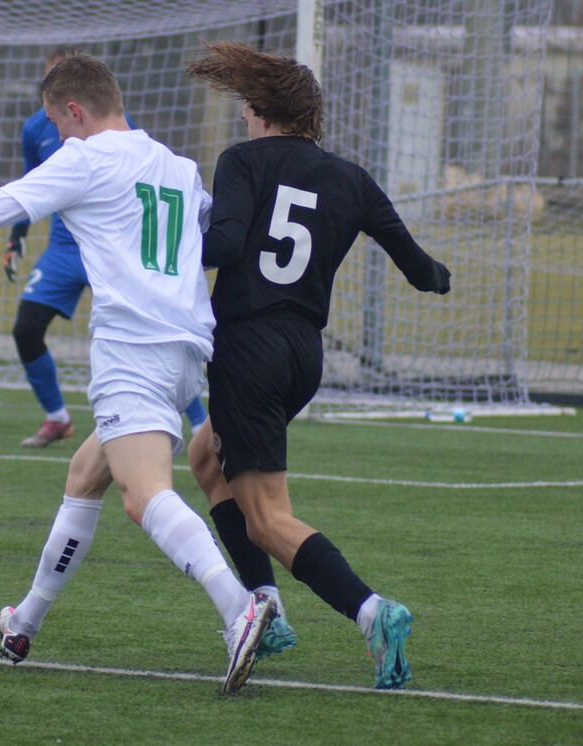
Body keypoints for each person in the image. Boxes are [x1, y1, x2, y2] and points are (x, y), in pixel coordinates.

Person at [0, 50, 274, 694]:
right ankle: (25, 619)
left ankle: (242, 609)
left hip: (133, 348)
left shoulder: (85, 157)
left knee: (142, 494)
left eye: (58, 126)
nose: (57, 140)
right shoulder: (175, 164)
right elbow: (216, 234)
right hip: (185, 352)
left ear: (75, 111)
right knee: (85, 475)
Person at [184, 41, 452, 690]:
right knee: (204, 457)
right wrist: (442, 277)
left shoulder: (242, 161)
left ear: (263, 112)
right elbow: (421, 271)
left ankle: (371, 612)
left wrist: (163, 238)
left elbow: (222, 243)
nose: (243, 118)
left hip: (248, 347)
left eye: (248, 108)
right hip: (304, 351)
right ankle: (266, 610)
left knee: (267, 517)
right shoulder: (352, 180)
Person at [4, 45, 208, 447]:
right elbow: (26, 188)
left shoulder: (112, 129)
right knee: (26, 329)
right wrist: (17, 236)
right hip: (64, 250)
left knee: (150, 331)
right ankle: (57, 418)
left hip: (112, 247)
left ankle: (200, 422)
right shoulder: (35, 129)